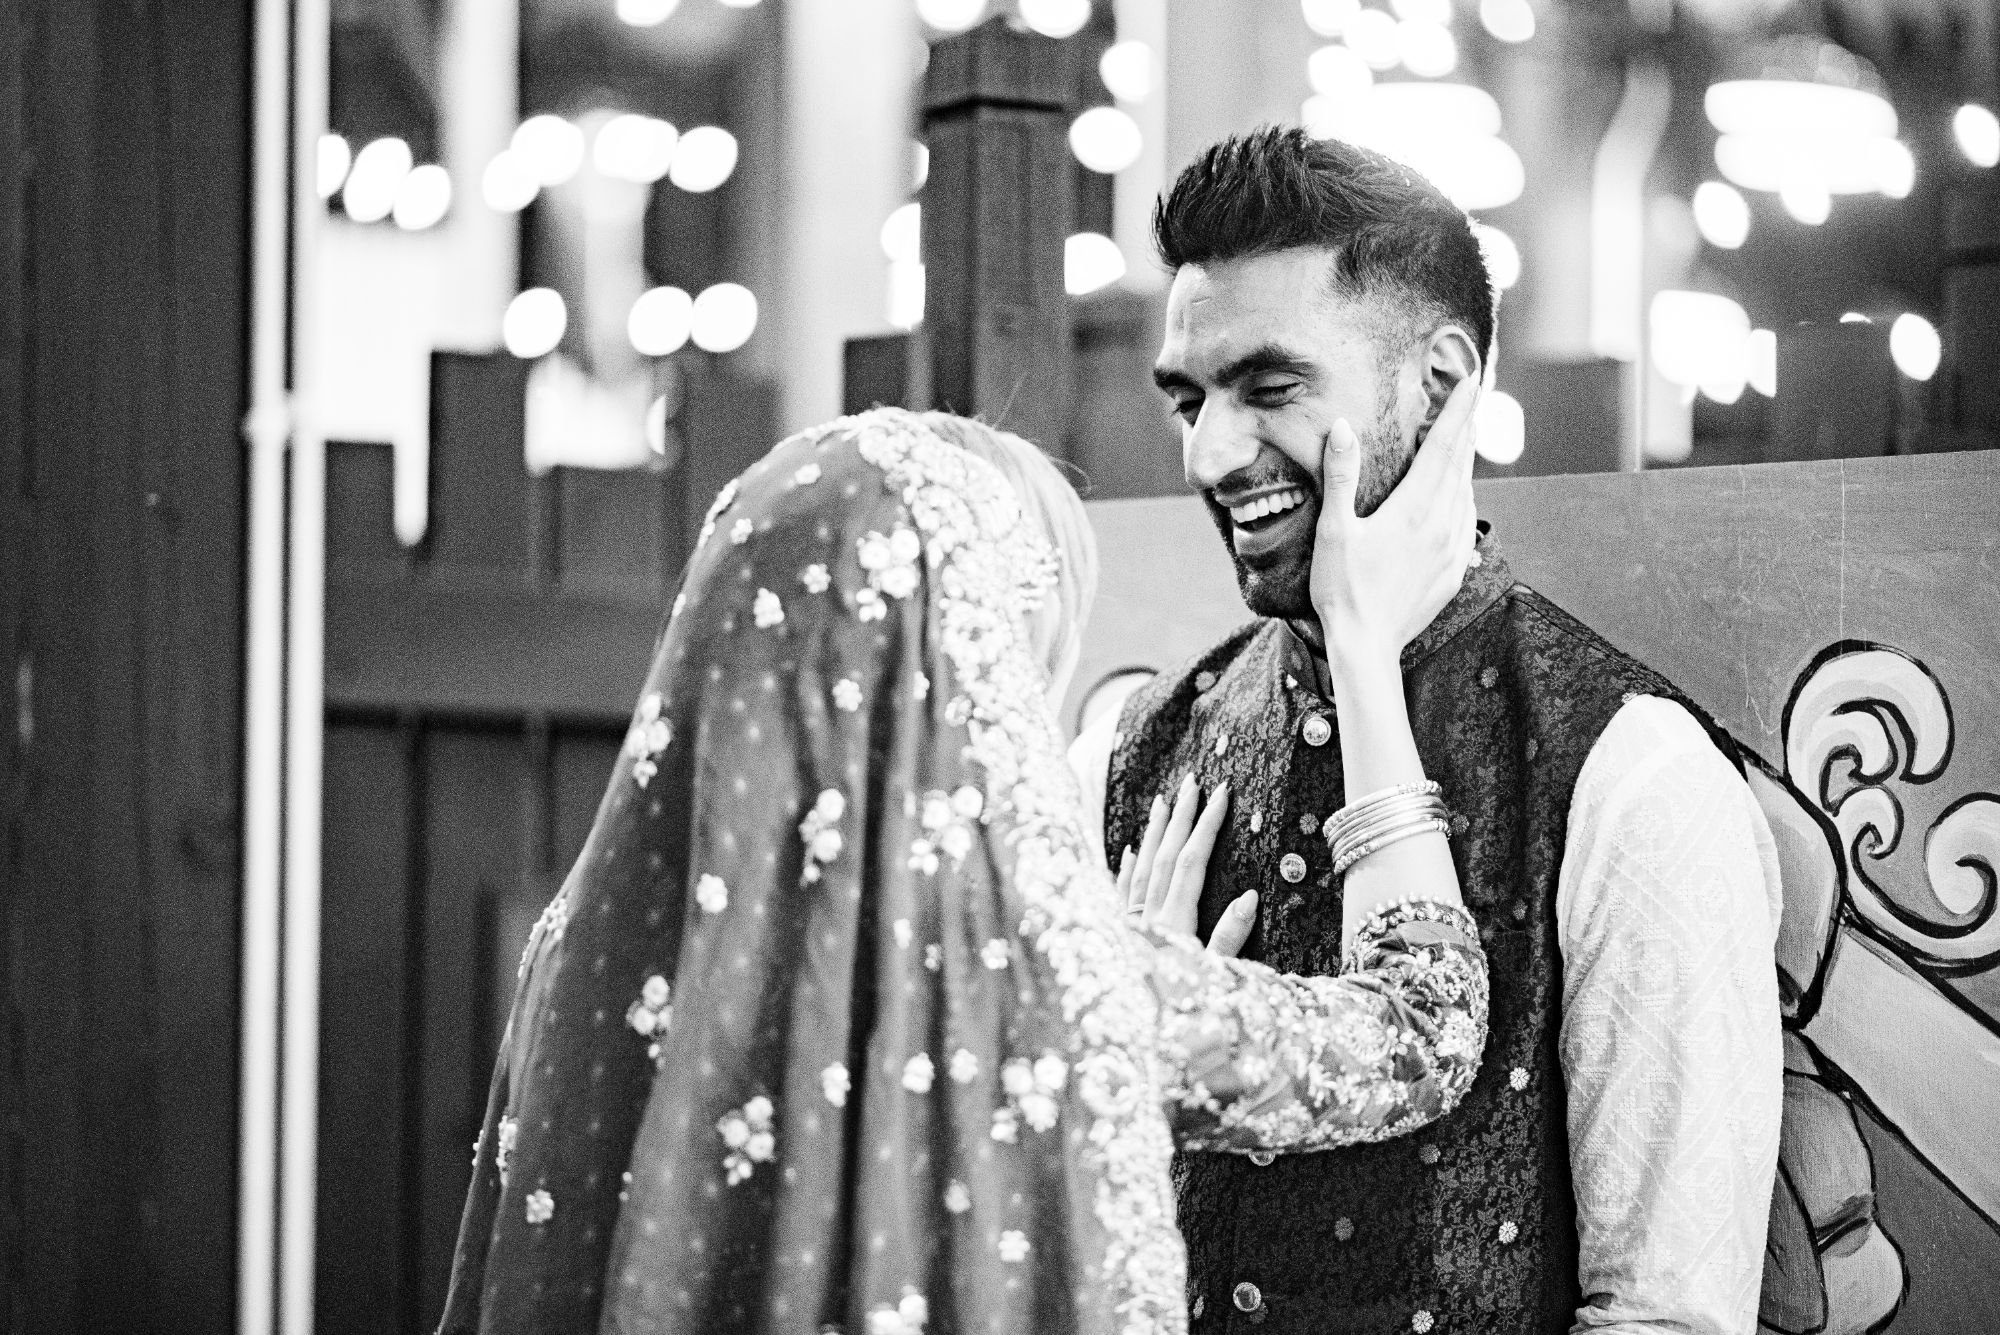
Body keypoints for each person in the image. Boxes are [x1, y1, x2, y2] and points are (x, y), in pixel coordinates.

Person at [437, 408, 1489, 1335]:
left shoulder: (580, 962)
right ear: (973, 671)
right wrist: (1357, 640)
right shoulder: (1040, 979)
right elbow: (1420, 1031)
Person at [1069, 127, 1784, 1334]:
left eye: (1269, 389)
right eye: (1189, 400)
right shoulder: (1128, 753)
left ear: (1440, 385)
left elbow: (1665, 1315)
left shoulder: (1630, 776)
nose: (1208, 454)